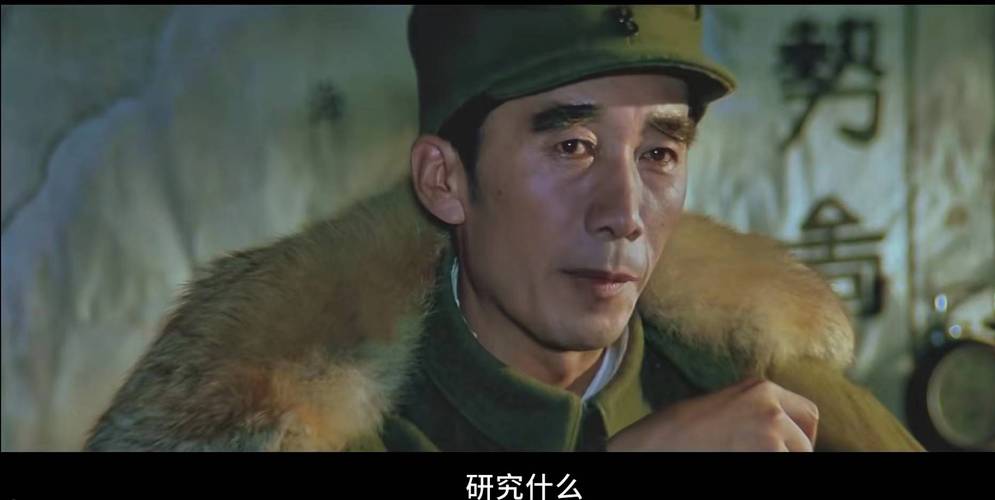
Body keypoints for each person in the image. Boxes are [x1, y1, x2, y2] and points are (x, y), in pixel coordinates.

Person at [85, 5, 923, 451]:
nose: (624, 212)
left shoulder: (773, 410)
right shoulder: (310, 424)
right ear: (444, 180)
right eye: (570, 146)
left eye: (659, 153)